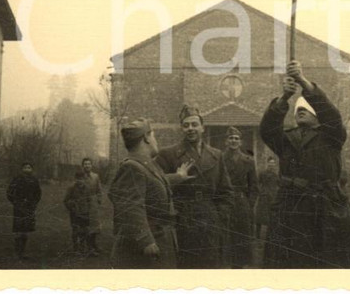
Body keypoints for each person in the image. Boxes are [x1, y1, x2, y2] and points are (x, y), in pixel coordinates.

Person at [260, 61, 350, 269]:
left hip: (326, 210)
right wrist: (284, 98)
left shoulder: (332, 136)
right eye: (297, 110)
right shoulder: (286, 139)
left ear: (317, 115)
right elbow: (267, 130)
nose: (299, 111)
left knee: (329, 265)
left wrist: (302, 81)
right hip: (291, 210)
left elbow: (332, 116)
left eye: (305, 109)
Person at [155, 105, 234, 268]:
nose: (190, 129)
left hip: (210, 220)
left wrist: (219, 216)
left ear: (202, 128)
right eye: (186, 125)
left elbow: (225, 191)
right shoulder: (168, 154)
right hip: (182, 220)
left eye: (194, 124)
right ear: (181, 129)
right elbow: (157, 188)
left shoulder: (216, 155)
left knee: (211, 267)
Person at [108, 119, 189, 268]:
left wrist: (179, 176)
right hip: (144, 250)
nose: (155, 140)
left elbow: (153, 184)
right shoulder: (132, 167)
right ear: (146, 137)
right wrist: (146, 241)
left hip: (158, 241)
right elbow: (129, 206)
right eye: (154, 136)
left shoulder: (145, 165)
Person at [223, 126, 258, 268]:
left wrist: (249, 204)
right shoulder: (220, 159)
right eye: (230, 138)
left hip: (242, 203)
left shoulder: (248, 161)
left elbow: (254, 187)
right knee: (226, 237)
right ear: (226, 141)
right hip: (226, 202)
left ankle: (241, 267)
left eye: (236, 139)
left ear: (241, 142)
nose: (233, 141)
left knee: (242, 237)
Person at [6, 162, 42, 260]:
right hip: (19, 208)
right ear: (22, 169)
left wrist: (33, 203)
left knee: (26, 230)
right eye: (25, 167)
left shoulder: (34, 180)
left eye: (29, 167)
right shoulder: (17, 179)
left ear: (32, 169)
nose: (27, 169)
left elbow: (38, 193)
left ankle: (23, 252)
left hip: (29, 208)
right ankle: (17, 252)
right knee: (18, 229)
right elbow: (9, 192)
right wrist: (16, 202)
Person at [63, 171, 93, 257]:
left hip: (85, 213)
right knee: (75, 231)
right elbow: (65, 201)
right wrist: (72, 207)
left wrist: (87, 208)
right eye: (78, 179)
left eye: (82, 179)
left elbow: (89, 200)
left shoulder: (87, 188)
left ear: (85, 179)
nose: (80, 181)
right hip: (75, 213)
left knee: (84, 230)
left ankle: (82, 248)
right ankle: (76, 249)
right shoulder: (71, 188)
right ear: (75, 179)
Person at [79, 157, 103, 256]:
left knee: (94, 225)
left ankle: (93, 245)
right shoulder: (80, 176)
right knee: (85, 225)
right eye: (85, 164)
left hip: (93, 204)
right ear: (82, 166)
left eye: (89, 164)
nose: (87, 166)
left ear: (91, 165)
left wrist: (98, 200)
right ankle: (88, 248)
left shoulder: (95, 176)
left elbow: (99, 190)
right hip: (83, 203)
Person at [254, 156, 280, 239]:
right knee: (260, 217)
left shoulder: (276, 175)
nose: (271, 165)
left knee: (272, 217)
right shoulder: (263, 173)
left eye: (273, 163)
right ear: (267, 163)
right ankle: (257, 236)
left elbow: (278, 184)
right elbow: (257, 183)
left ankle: (271, 236)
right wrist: (261, 192)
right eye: (270, 163)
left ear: (275, 165)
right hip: (264, 196)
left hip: (273, 197)